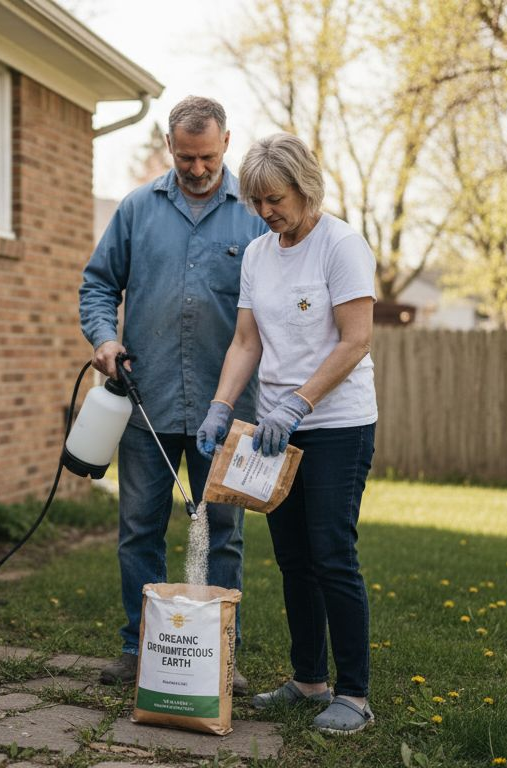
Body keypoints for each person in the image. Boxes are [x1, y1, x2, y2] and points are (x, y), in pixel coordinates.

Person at [79, 96, 269, 688]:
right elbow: (97, 284)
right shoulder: (137, 209)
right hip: (146, 404)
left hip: (228, 409)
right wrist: (105, 338)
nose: (196, 168)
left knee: (223, 538)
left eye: (207, 156)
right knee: (139, 530)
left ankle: (218, 656)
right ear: (170, 147)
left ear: (227, 143)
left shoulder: (255, 215)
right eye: (186, 157)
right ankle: (141, 649)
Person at [197, 132, 378, 735]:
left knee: (332, 555)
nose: (267, 212)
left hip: (334, 424)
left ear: (304, 187)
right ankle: (309, 681)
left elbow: (356, 341)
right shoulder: (258, 253)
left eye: (275, 199)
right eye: (256, 202)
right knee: (294, 560)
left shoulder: (341, 244)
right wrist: (222, 407)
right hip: (272, 432)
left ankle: (353, 695)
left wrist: (298, 404)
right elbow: (247, 340)